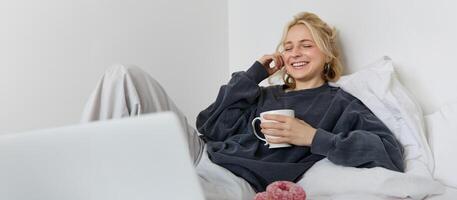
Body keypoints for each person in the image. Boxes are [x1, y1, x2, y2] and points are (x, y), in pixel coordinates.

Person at [82, 12, 404, 199]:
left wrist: (311, 137)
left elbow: (389, 152)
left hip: (235, 181)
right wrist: (254, 75)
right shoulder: (266, 92)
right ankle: (79, 177)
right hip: (199, 152)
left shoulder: (340, 103)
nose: (295, 53)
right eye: (288, 46)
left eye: (307, 45)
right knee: (124, 77)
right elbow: (208, 125)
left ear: (327, 55)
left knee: (160, 186)